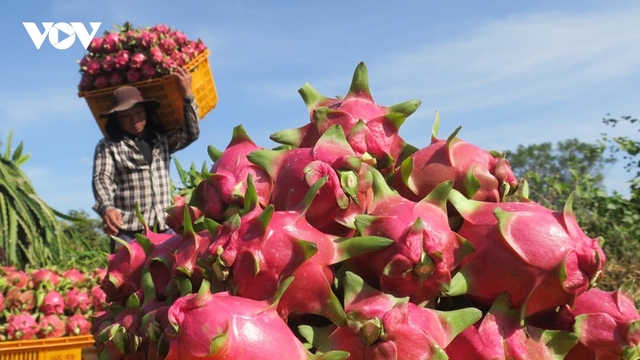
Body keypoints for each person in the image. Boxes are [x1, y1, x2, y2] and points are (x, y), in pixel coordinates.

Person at [92, 67, 200, 253]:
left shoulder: (161, 140)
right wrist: (107, 207)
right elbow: (102, 178)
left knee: (167, 278)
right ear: (116, 119)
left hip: (163, 225)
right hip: (128, 229)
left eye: (139, 113)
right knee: (128, 281)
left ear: (146, 112)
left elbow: (191, 133)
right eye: (125, 116)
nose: (134, 120)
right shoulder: (109, 145)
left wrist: (187, 94)